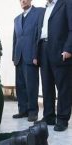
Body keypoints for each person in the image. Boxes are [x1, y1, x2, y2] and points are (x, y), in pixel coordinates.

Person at [37, 0, 72, 131]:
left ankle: (62, 119)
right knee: (47, 85)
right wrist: (37, 53)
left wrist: (69, 49)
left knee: (63, 86)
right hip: (43, 48)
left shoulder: (67, 3)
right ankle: (49, 116)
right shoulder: (45, 8)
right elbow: (40, 31)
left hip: (60, 50)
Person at [12, 0, 44, 122]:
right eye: (20, 0)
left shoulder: (39, 13)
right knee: (20, 85)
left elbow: (39, 35)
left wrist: (37, 55)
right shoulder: (16, 19)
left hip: (31, 56)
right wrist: (14, 57)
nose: (23, 1)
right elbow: (15, 39)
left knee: (31, 86)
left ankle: (33, 112)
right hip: (19, 57)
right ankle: (23, 110)